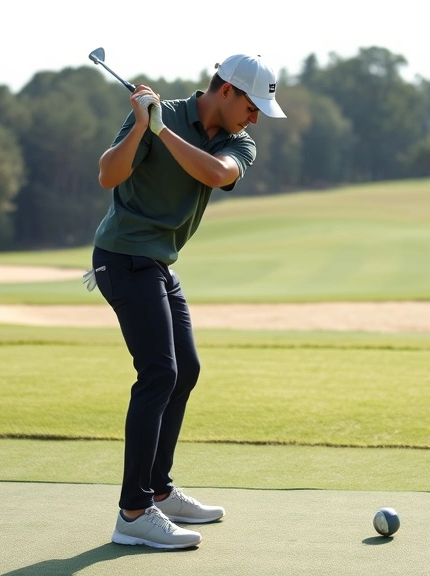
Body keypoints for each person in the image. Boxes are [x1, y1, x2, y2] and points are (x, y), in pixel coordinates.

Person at [90, 54, 286, 549]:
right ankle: (134, 512)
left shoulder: (237, 142)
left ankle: (157, 489)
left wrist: (160, 132)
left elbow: (216, 174)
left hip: (157, 263)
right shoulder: (158, 114)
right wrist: (141, 127)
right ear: (226, 91)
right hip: (122, 255)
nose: (256, 117)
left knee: (187, 369)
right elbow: (107, 177)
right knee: (159, 373)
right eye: (252, 105)